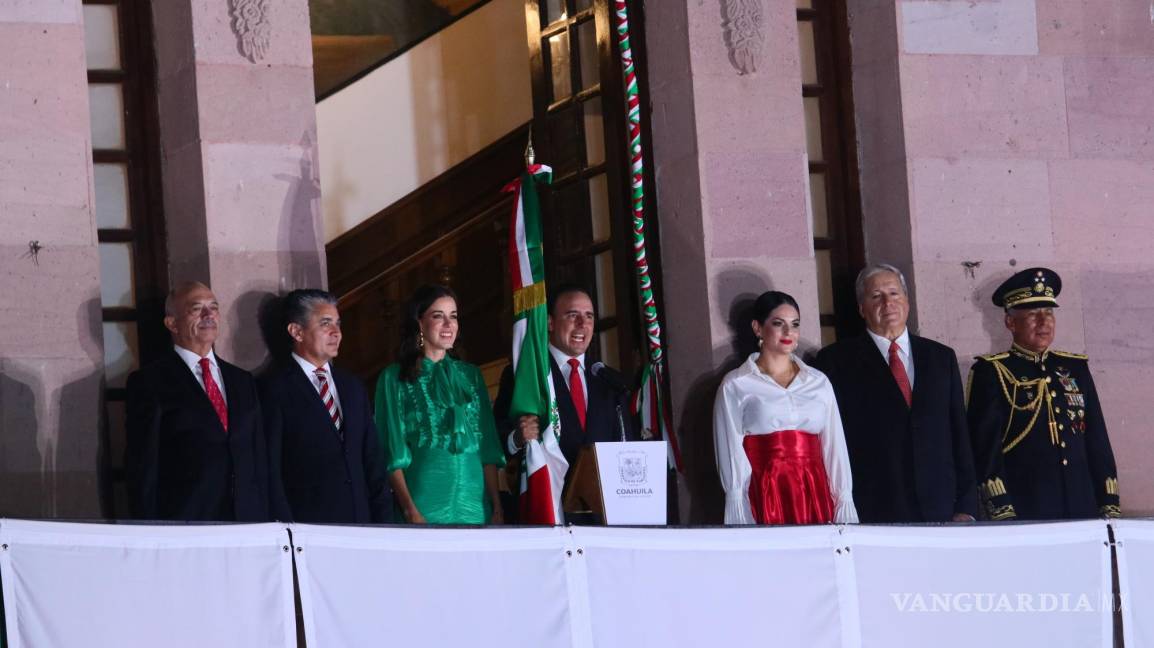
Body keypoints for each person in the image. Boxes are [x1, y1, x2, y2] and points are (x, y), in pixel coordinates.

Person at [814, 264, 978, 523]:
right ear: (862, 308)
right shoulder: (835, 362)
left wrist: (967, 505)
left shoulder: (940, 358)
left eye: (894, 293)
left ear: (907, 302)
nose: (887, 303)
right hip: (874, 508)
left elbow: (959, 434)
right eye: (876, 296)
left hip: (941, 508)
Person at [967, 268, 1120, 520]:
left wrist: (1108, 503)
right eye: (1033, 314)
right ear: (1010, 322)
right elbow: (985, 449)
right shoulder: (991, 371)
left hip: (1083, 507)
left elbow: (1097, 439)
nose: (1044, 322)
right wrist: (1002, 510)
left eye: (1048, 313)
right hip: (1027, 508)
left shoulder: (1075, 368)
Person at [125, 281, 270, 521]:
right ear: (172, 323)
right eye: (196, 309)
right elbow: (143, 469)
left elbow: (259, 458)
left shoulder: (243, 381)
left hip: (247, 521)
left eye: (213, 308)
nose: (208, 315)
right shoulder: (150, 382)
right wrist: (150, 527)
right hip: (188, 521)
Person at [713, 291, 857, 525]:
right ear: (758, 328)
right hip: (765, 492)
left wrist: (843, 500)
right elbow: (730, 451)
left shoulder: (818, 382)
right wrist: (740, 511)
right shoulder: (736, 384)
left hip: (815, 490)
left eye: (795, 324)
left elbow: (834, 446)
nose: (788, 332)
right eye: (778, 324)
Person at [493, 285, 638, 505]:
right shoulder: (526, 376)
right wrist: (517, 438)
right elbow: (495, 439)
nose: (583, 324)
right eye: (573, 315)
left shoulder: (609, 381)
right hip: (549, 508)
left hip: (604, 511)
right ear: (550, 322)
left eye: (589, 316)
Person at [374, 285, 505, 524]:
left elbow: (488, 447)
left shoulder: (472, 375)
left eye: (453, 316)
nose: (449, 324)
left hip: (475, 507)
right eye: (438, 316)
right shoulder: (394, 377)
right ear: (419, 323)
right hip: (424, 506)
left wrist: (496, 505)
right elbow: (391, 451)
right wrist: (410, 510)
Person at [260, 289, 392, 523]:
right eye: (325, 323)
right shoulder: (273, 388)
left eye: (338, 324)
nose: (336, 333)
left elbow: (372, 459)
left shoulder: (352, 386)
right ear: (297, 331)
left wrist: (383, 521)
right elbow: (270, 469)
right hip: (308, 527)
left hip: (362, 523)